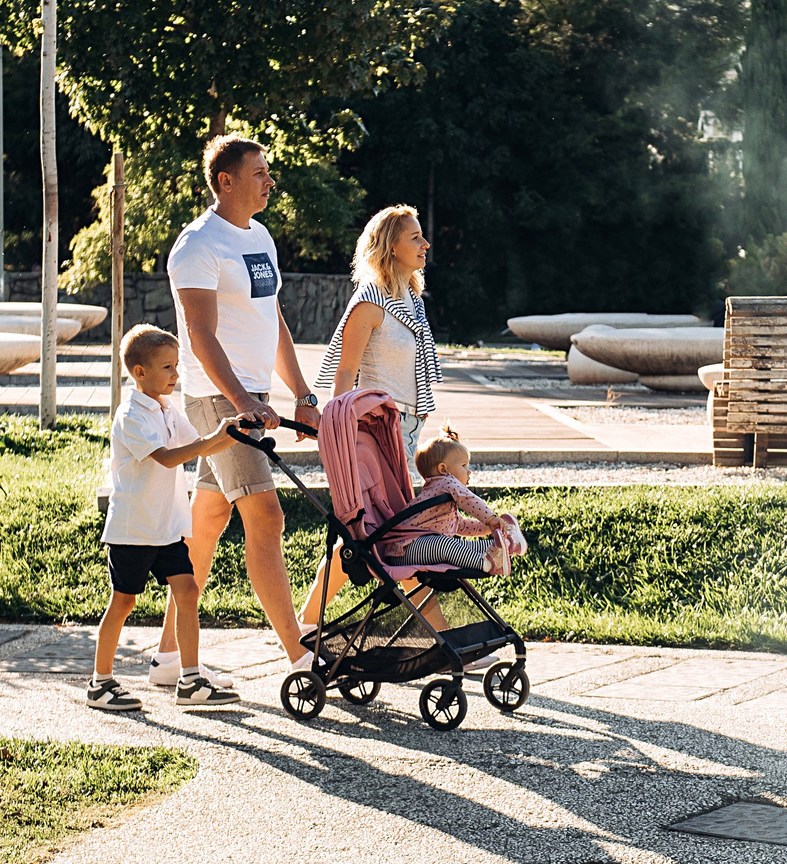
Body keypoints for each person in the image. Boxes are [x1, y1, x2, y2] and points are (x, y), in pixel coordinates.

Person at [169, 135, 323, 679]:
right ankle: (299, 654)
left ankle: (168, 655)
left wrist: (302, 396)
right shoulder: (198, 245)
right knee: (266, 515)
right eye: (259, 173)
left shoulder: (259, 237)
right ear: (226, 181)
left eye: (268, 172)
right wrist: (241, 402)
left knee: (209, 519)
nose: (269, 181)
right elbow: (200, 335)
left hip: (247, 398)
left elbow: (272, 320)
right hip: (218, 399)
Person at [89, 324, 241, 714]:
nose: (175, 374)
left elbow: (200, 444)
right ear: (140, 372)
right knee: (123, 602)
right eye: (167, 367)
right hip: (135, 529)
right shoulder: (131, 416)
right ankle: (100, 684)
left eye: (176, 366)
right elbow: (169, 457)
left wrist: (238, 429)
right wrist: (214, 438)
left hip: (167, 529)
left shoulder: (166, 409)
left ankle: (190, 680)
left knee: (187, 592)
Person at [317, 205, 440, 474]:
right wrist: (336, 433)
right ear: (391, 247)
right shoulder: (370, 302)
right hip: (380, 425)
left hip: (410, 424)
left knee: (403, 500)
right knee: (396, 502)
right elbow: (346, 370)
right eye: (415, 237)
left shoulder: (413, 301)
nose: (426, 244)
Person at [387, 430, 523, 577]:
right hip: (405, 550)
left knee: (463, 545)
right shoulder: (446, 481)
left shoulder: (437, 497)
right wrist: (490, 519)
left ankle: (505, 545)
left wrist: (489, 529)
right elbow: (469, 499)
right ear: (443, 469)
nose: (469, 472)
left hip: (416, 550)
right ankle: (486, 563)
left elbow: (461, 526)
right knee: (445, 544)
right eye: (464, 466)